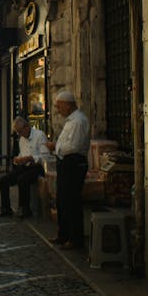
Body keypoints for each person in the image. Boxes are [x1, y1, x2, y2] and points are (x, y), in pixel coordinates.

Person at [46, 90, 90, 250]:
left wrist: (55, 147)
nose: (58, 110)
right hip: (66, 163)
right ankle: (63, 234)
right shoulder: (71, 120)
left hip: (74, 163)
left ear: (68, 104)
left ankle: (75, 238)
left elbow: (73, 146)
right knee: (62, 200)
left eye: (59, 106)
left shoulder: (78, 121)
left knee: (72, 201)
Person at [0, 117, 49, 218]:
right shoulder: (22, 139)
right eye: (17, 132)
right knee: (3, 180)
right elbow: (22, 154)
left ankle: (24, 208)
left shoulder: (39, 135)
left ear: (27, 127)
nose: (19, 135)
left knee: (22, 179)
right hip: (24, 167)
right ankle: (6, 208)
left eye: (20, 132)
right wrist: (18, 159)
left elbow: (45, 156)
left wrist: (30, 158)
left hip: (37, 168)